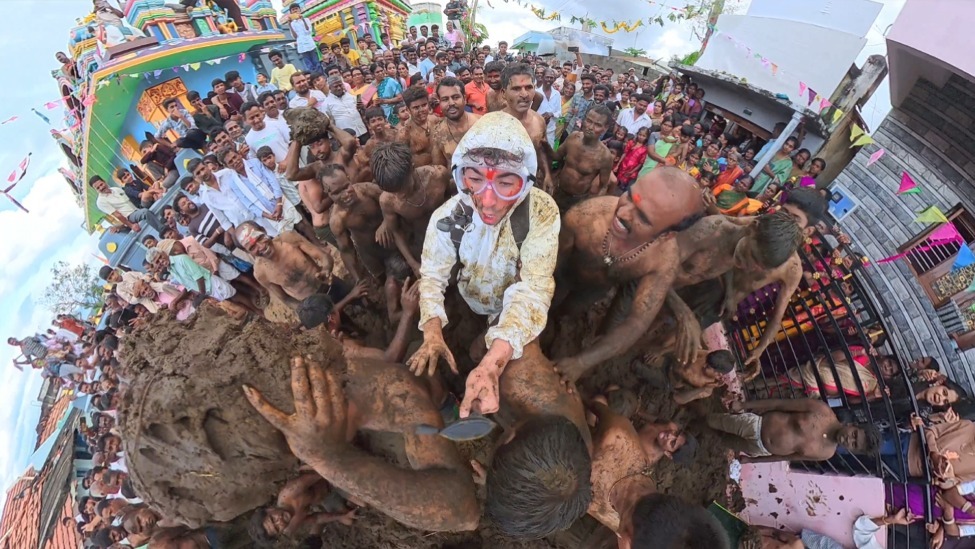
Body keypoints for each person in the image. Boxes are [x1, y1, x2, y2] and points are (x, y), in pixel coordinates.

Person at [409, 112, 560, 422]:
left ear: (526, 181)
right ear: (461, 176)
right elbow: (433, 275)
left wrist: (492, 364)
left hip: (510, 308)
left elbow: (534, 288)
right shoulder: (452, 215)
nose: (488, 201)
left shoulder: (539, 212)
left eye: (506, 183)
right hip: (468, 297)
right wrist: (433, 332)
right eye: (475, 179)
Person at [242, 353, 480, 532]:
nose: (279, 522)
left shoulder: (392, 389)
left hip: (425, 394)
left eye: (298, 445)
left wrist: (329, 461)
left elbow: (464, 513)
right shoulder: (372, 391)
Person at [552, 168, 704, 388]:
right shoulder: (587, 215)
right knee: (552, 299)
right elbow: (550, 262)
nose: (623, 213)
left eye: (642, 216)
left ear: (667, 235)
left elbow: (637, 322)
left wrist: (581, 363)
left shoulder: (662, 261)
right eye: (630, 195)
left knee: (568, 311)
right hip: (561, 272)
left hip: (594, 291)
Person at [587, 390, 698, 532]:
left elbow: (616, 457)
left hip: (613, 443)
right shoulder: (670, 426)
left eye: (672, 442)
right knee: (611, 397)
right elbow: (654, 421)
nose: (670, 435)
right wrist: (637, 411)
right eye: (676, 434)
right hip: (619, 428)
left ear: (668, 455)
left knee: (599, 401)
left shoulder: (646, 457)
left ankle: (589, 426)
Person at [709, 397, 879, 463]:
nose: (850, 440)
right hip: (754, 425)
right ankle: (693, 417)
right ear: (853, 425)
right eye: (855, 435)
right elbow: (779, 403)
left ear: (853, 450)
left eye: (854, 444)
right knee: (712, 421)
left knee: (719, 441)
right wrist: (745, 405)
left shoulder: (826, 453)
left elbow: (787, 456)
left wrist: (753, 461)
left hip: (759, 449)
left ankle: (693, 433)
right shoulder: (822, 411)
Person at [372, 142, 451, 277]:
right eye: (393, 191)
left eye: (403, 188)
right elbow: (396, 232)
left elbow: (452, 198)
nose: (399, 195)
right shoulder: (388, 200)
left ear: (412, 169)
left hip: (449, 232)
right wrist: (414, 264)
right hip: (422, 242)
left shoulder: (437, 176)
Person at [233, 222, 337, 311]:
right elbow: (285, 299)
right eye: (252, 247)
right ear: (246, 251)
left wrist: (326, 270)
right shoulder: (260, 273)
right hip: (314, 304)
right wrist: (304, 309)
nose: (261, 247)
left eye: (260, 238)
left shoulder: (289, 239)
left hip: (330, 284)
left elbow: (324, 256)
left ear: (264, 230)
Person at [248, 471, 355, 545]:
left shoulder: (290, 492)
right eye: (277, 528)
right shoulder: (293, 521)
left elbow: (320, 473)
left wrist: (342, 482)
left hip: (330, 479)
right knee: (348, 520)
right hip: (327, 495)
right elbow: (317, 518)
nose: (279, 521)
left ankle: (350, 497)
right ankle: (348, 501)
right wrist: (343, 516)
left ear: (269, 510)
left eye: (272, 519)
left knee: (358, 498)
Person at [551, 104, 615, 211]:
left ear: (605, 128)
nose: (590, 127)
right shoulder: (573, 137)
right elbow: (556, 157)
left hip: (577, 200)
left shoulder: (605, 157)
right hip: (557, 190)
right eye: (589, 121)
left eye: (597, 125)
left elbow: (603, 186)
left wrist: (593, 206)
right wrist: (543, 144)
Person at [500, 64, 553, 193]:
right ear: (503, 93)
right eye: (516, 89)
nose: (524, 94)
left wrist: (546, 174)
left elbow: (540, 149)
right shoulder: (494, 123)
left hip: (530, 183)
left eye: (529, 87)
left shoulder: (539, 121)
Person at [429, 77, 480, 168]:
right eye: (445, 99)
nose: (451, 103)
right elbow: (441, 171)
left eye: (455, 97)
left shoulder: (481, 123)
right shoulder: (438, 134)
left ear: (464, 98)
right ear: (439, 102)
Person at [90, 175, 163, 233]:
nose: (101, 187)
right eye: (98, 188)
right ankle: (163, 231)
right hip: (130, 216)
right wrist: (131, 226)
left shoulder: (116, 189)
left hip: (137, 208)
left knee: (155, 200)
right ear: (96, 190)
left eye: (101, 184)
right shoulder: (101, 202)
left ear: (104, 181)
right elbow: (117, 215)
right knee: (145, 212)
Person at [396, 87, 438, 167]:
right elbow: (400, 162)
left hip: (441, 169)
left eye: (424, 105)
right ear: (408, 110)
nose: (421, 110)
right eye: (416, 107)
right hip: (421, 175)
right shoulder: (404, 133)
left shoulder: (435, 120)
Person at [286, 3, 319, 72]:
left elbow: (308, 31)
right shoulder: (292, 23)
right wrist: (289, 25)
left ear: (300, 10)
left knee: (316, 63)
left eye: (296, 9)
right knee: (309, 65)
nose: (295, 11)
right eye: (293, 10)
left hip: (310, 44)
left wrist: (303, 19)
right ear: (291, 12)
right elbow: (295, 36)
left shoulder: (306, 19)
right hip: (302, 46)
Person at [537, 68, 562, 147]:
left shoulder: (557, 94)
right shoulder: (536, 92)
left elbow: (559, 112)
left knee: (548, 154)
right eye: (547, 77)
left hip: (551, 131)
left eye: (551, 78)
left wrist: (551, 114)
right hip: (537, 129)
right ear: (542, 77)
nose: (549, 79)